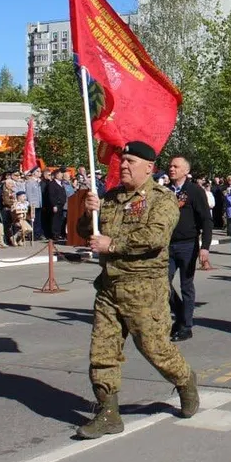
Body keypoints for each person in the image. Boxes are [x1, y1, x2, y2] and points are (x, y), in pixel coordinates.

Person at [75, 141, 198, 439]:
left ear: (149, 167)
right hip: (109, 288)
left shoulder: (163, 199)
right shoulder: (111, 198)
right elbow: (87, 233)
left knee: (155, 350)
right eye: (122, 161)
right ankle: (108, 413)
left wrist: (112, 245)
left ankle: (185, 380)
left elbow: (155, 237)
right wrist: (86, 213)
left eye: (130, 161)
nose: (124, 166)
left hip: (144, 290)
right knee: (102, 352)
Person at [166, 155, 213, 342]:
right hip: (167, 245)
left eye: (176, 166)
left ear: (186, 170)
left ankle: (186, 325)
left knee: (186, 285)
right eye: (170, 166)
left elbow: (206, 220)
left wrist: (205, 247)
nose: (171, 169)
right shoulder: (165, 191)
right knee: (162, 283)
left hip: (188, 244)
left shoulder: (194, 191)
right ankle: (179, 314)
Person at [42, 169, 67, 241]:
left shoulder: (61, 183)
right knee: (55, 220)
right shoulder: (52, 184)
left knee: (60, 220)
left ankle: (58, 233)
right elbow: (51, 195)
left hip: (61, 205)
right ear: (56, 175)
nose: (61, 175)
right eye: (60, 174)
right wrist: (54, 205)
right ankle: (54, 235)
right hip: (56, 205)